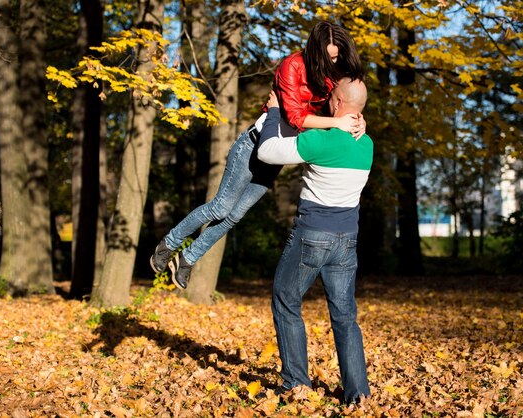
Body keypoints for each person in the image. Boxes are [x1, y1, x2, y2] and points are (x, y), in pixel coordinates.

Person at [149, 21, 366, 289]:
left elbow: (345, 100)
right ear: (315, 50)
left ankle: (188, 258)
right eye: (329, 56)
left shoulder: (331, 75)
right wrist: (336, 123)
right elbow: (296, 118)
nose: (333, 61)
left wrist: (357, 119)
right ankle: (167, 244)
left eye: (336, 56)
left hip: (276, 153)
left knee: (235, 215)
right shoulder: (292, 66)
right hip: (253, 145)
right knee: (221, 206)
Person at [257, 78, 372, 404]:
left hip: (312, 236)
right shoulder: (367, 145)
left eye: (330, 99)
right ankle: (358, 394)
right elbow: (353, 120)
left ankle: (296, 383)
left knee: (285, 298)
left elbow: (267, 152)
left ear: (336, 103)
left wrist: (275, 112)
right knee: (345, 317)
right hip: (347, 241)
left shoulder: (321, 142)